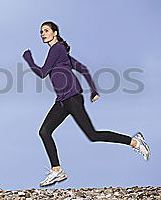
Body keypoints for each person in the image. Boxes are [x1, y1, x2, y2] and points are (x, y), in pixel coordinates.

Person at [22, 21, 151, 187]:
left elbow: (42, 72)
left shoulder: (57, 49)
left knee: (92, 135)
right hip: (62, 100)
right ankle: (57, 170)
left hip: (72, 97)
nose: (42, 34)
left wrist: (29, 60)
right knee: (45, 131)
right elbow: (82, 68)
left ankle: (135, 142)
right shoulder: (62, 53)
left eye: (46, 30)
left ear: (55, 32)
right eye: (41, 32)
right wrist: (93, 90)